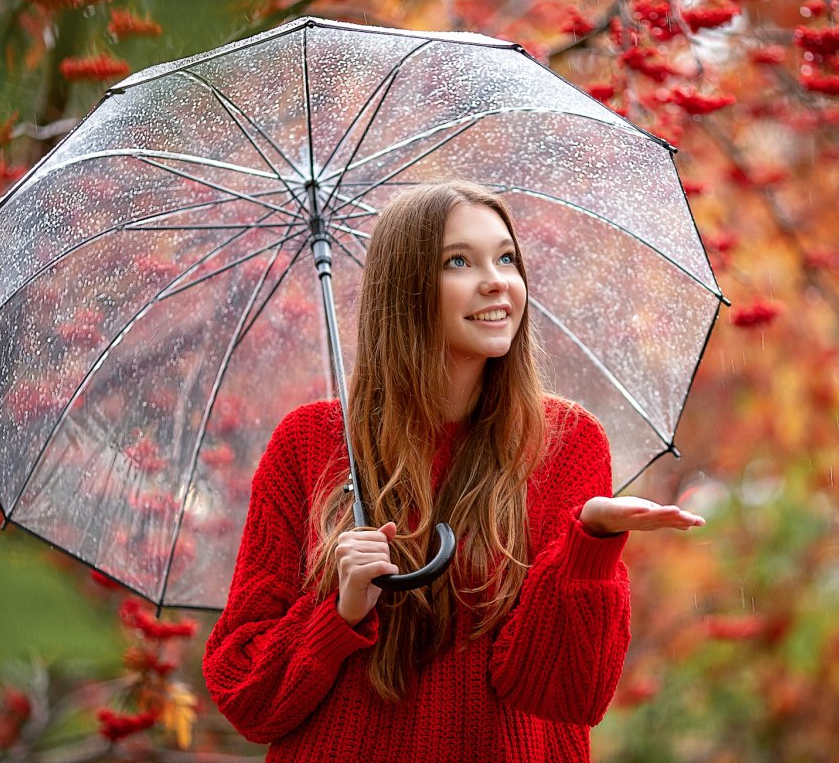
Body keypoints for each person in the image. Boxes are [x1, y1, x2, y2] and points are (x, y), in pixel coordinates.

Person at [202, 180, 703, 762]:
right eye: (458, 262)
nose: (496, 281)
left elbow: (568, 695)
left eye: (506, 258)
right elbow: (247, 697)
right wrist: (338, 611)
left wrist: (589, 544)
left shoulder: (566, 443)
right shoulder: (311, 443)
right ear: (405, 288)